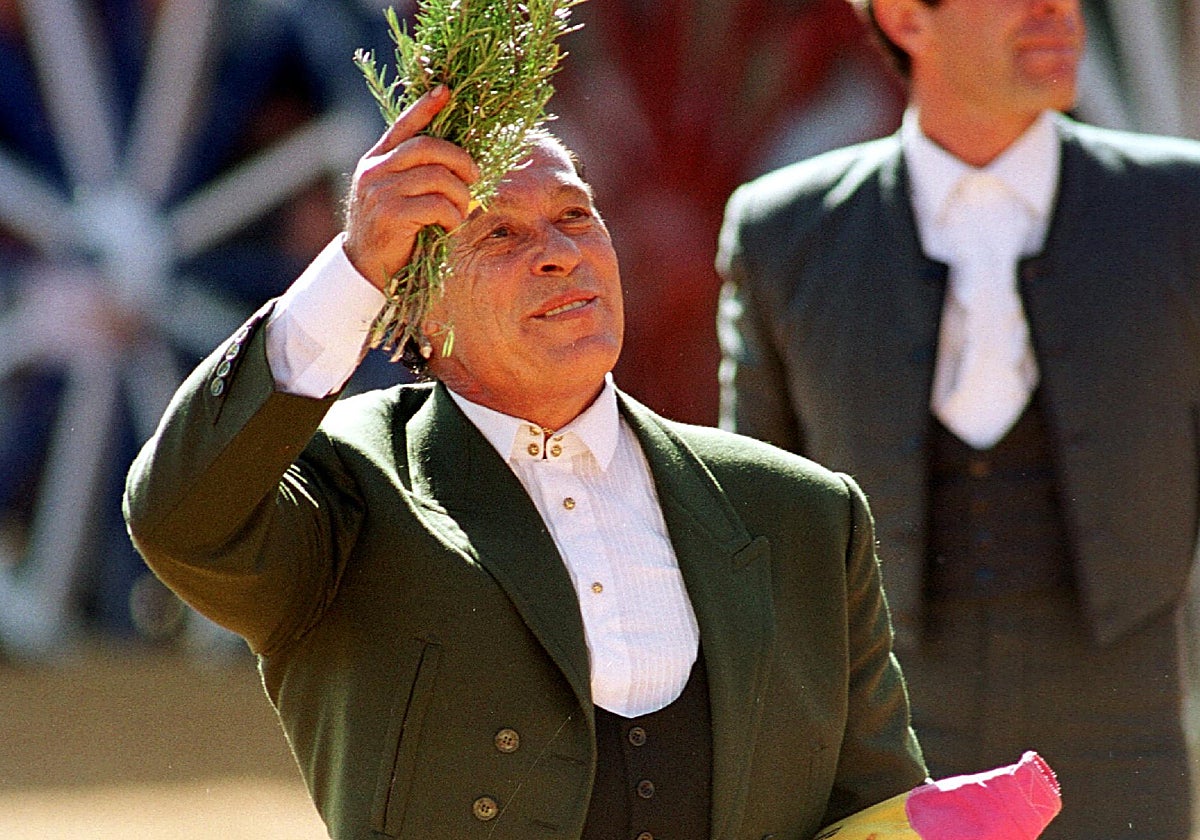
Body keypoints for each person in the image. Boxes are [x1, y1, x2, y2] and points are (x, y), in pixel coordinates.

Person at [123, 85, 926, 840]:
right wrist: (355, 266)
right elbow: (182, 518)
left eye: (576, 215)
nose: (559, 254)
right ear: (416, 309)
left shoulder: (806, 514)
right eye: (499, 234)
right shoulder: (348, 486)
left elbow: (883, 817)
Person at [716, 1, 1200, 838]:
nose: (1059, 12)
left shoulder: (1181, 208)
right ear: (908, 16)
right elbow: (754, 517)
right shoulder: (784, 232)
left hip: (1130, 728)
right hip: (886, 729)